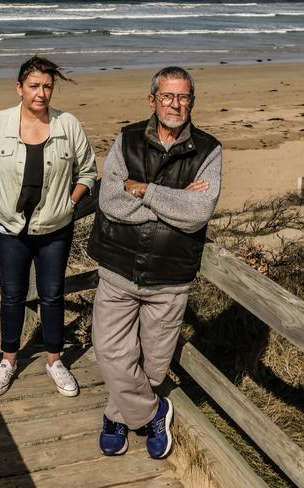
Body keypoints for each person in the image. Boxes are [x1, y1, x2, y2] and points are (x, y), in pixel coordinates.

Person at [87, 66, 222, 458]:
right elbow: (110, 202)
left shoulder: (209, 149)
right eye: (168, 96)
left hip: (170, 276)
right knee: (111, 352)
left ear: (191, 102)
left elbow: (198, 212)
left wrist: (143, 190)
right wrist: (171, 199)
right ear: (152, 100)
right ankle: (153, 411)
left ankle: (116, 415)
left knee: (155, 364)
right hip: (118, 268)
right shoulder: (127, 139)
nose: (176, 104)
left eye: (183, 97)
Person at [0, 56, 97, 398]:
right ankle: (8, 360)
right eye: (34, 86)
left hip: (56, 228)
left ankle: (55, 360)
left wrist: (70, 202)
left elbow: (87, 172)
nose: (41, 93)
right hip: (10, 229)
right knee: (12, 296)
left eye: (47, 86)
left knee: (52, 295)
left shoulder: (68, 124)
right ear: (20, 88)